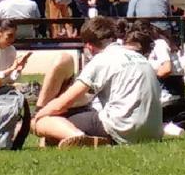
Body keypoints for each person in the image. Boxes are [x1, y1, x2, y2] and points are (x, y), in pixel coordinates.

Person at [32, 16, 163, 147]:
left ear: (89, 46)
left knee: (43, 122)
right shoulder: (138, 57)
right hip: (154, 132)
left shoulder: (101, 60)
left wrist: (38, 115)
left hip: (122, 128)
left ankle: (77, 136)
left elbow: (64, 103)